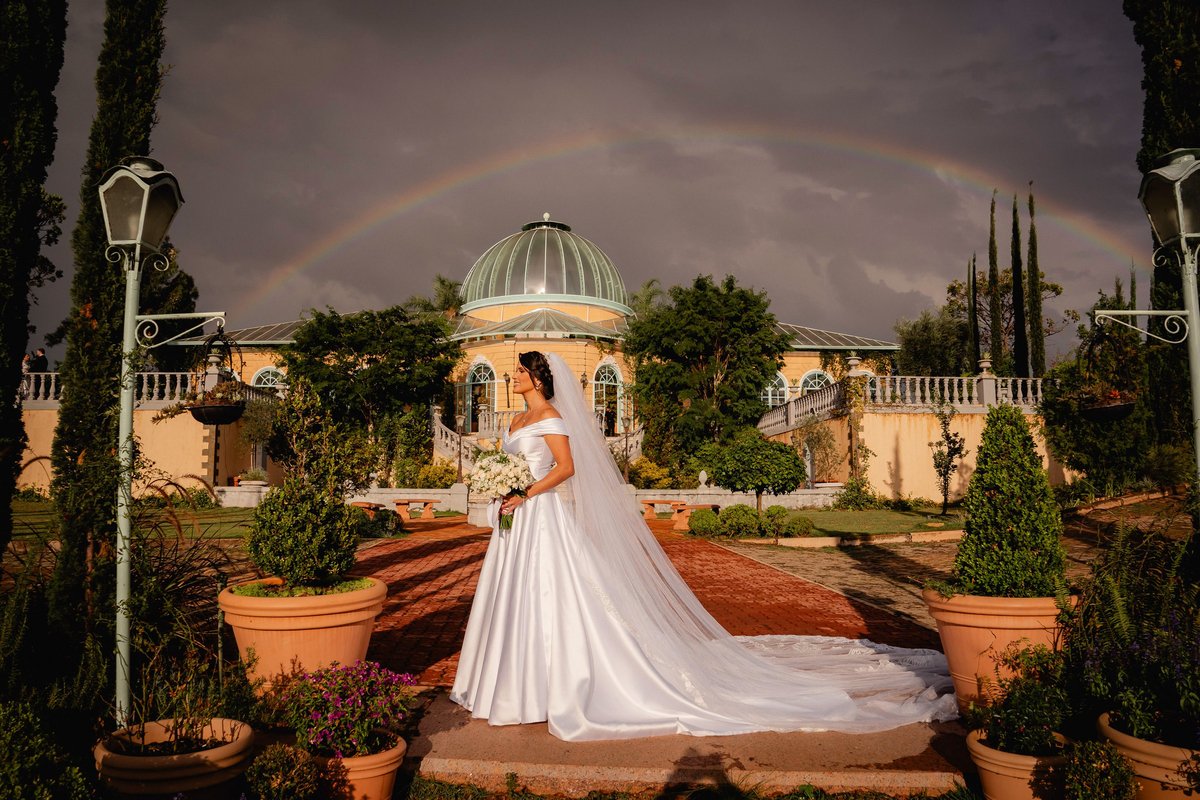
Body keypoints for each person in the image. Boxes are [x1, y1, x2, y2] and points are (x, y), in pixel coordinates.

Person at [450, 351, 957, 742]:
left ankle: (559, 686)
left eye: (519, 372)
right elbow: (513, 463)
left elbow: (566, 468)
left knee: (556, 595)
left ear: (537, 379)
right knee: (515, 598)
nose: (512, 376)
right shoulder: (515, 422)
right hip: (514, 519)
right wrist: (502, 487)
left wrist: (524, 491)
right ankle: (514, 685)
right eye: (513, 372)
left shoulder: (553, 419)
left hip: (540, 515)